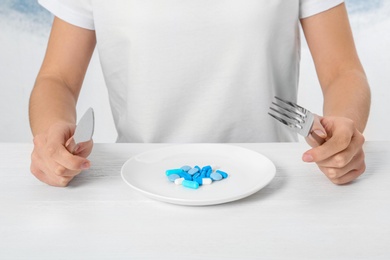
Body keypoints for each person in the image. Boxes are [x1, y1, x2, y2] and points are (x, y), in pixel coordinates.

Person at [29, 0, 371, 187]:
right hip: (138, 182)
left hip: (274, 180)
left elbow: (344, 71)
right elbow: (57, 79)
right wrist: (52, 137)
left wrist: (344, 128)